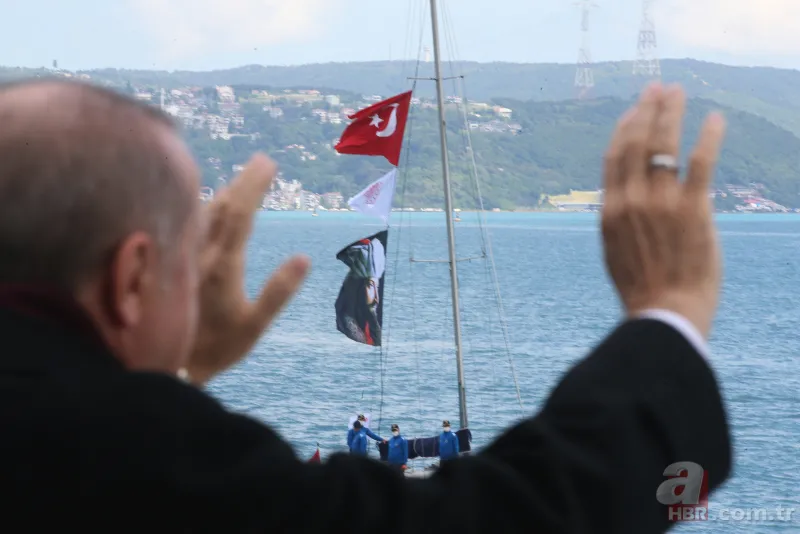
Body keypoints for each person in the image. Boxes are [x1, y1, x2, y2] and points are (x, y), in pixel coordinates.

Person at [0, 79, 731, 532]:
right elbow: (519, 518)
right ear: (132, 278)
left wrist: (178, 372)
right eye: (185, 264)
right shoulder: (143, 457)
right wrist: (668, 312)